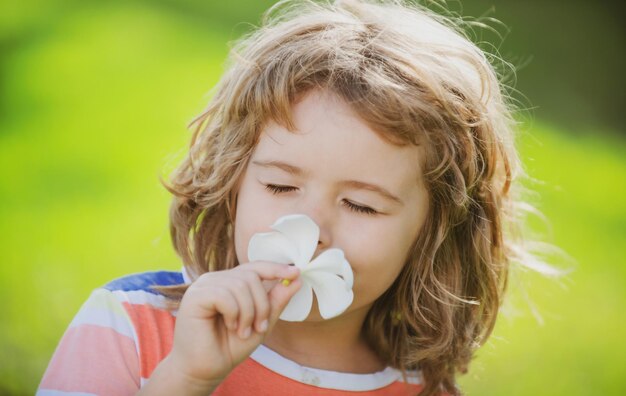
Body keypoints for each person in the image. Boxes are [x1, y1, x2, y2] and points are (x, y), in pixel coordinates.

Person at [38, 0, 540, 394]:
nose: (311, 228)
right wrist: (187, 379)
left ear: (432, 233)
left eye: (361, 205)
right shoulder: (130, 325)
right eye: (280, 186)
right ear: (232, 181)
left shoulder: (421, 391)